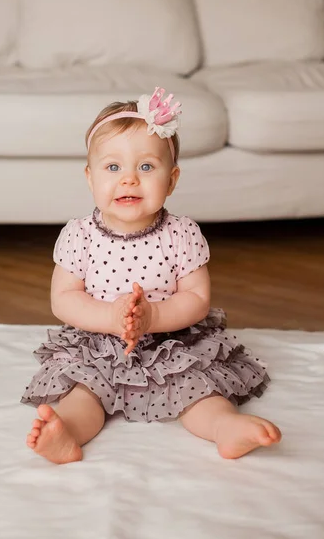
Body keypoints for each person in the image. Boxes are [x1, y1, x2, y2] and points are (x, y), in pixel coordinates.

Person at [21, 87, 282, 464]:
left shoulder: (182, 233)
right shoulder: (79, 235)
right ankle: (67, 433)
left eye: (146, 167)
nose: (129, 179)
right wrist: (110, 317)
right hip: (99, 342)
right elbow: (63, 298)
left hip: (173, 342)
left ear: (172, 180)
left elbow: (196, 297)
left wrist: (153, 317)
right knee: (84, 391)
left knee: (199, 390)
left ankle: (226, 428)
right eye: (113, 167)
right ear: (90, 178)